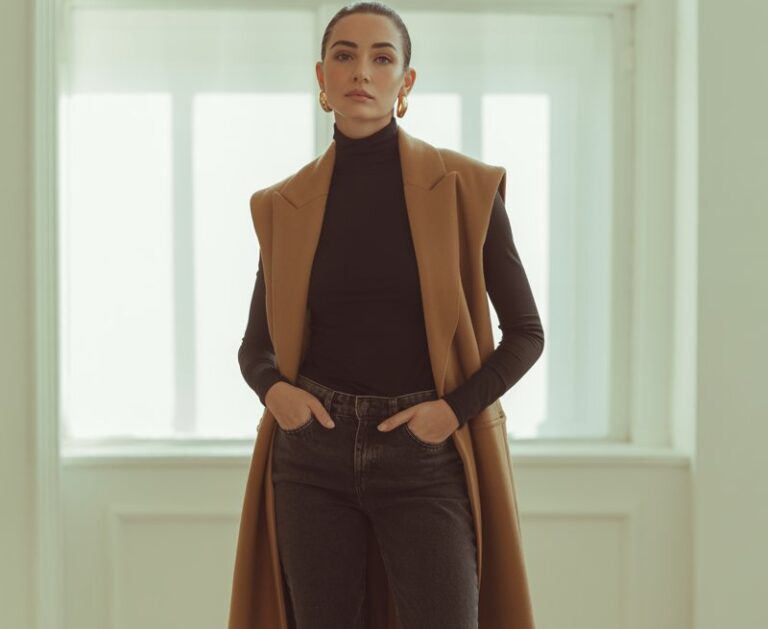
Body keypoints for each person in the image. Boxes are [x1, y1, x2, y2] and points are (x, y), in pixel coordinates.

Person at [237, 3, 544, 628]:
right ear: (322, 78)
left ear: (405, 83)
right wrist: (278, 395)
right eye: (345, 56)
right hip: (310, 458)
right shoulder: (283, 204)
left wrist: (451, 412)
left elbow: (527, 334)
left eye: (382, 58)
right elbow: (255, 347)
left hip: (424, 453)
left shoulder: (466, 187)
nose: (362, 72)